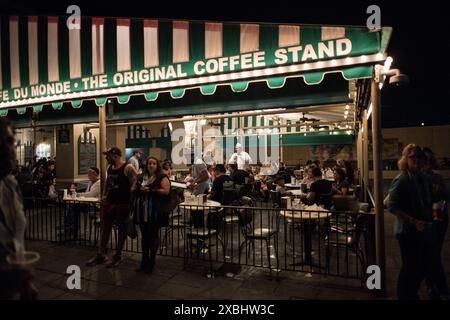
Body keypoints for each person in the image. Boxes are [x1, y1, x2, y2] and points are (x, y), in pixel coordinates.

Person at [387, 144, 446, 300]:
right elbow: (391, 205)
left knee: (422, 265)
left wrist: (436, 195)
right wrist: (413, 221)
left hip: (423, 229)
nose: (417, 160)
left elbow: (430, 200)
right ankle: (405, 295)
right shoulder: (402, 179)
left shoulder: (423, 178)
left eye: (420, 157)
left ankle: (411, 293)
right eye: (413, 157)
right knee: (410, 267)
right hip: (407, 231)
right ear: (405, 159)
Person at [0, 118, 37, 299]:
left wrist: (24, 279)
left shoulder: (10, 186)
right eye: (6, 142)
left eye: (11, 142)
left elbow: (16, 237)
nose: (12, 150)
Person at [86, 147, 137, 268]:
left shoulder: (128, 168)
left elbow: (135, 182)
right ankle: (101, 254)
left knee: (122, 229)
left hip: (122, 203)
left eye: (108, 155)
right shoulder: (110, 168)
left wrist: (131, 199)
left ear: (115, 156)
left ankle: (117, 255)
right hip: (110, 202)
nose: (106, 158)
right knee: (105, 228)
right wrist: (104, 195)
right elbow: (108, 183)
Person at [133, 157, 170, 274]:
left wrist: (152, 190)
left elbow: (166, 191)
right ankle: (144, 261)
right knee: (144, 237)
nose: (151, 165)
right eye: (149, 163)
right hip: (142, 211)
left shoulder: (162, 177)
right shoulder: (140, 177)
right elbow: (132, 188)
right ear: (146, 165)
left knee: (153, 236)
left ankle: (152, 262)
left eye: (154, 163)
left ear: (157, 165)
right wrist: (139, 190)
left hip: (155, 211)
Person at [422, 147, 449, 299]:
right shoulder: (418, 178)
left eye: (429, 160)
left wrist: (438, 192)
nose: (426, 163)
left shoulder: (436, 177)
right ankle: (433, 285)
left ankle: (437, 286)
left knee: (434, 254)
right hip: (425, 220)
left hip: (439, 219)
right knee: (430, 255)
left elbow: (446, 195)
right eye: (424, 160)